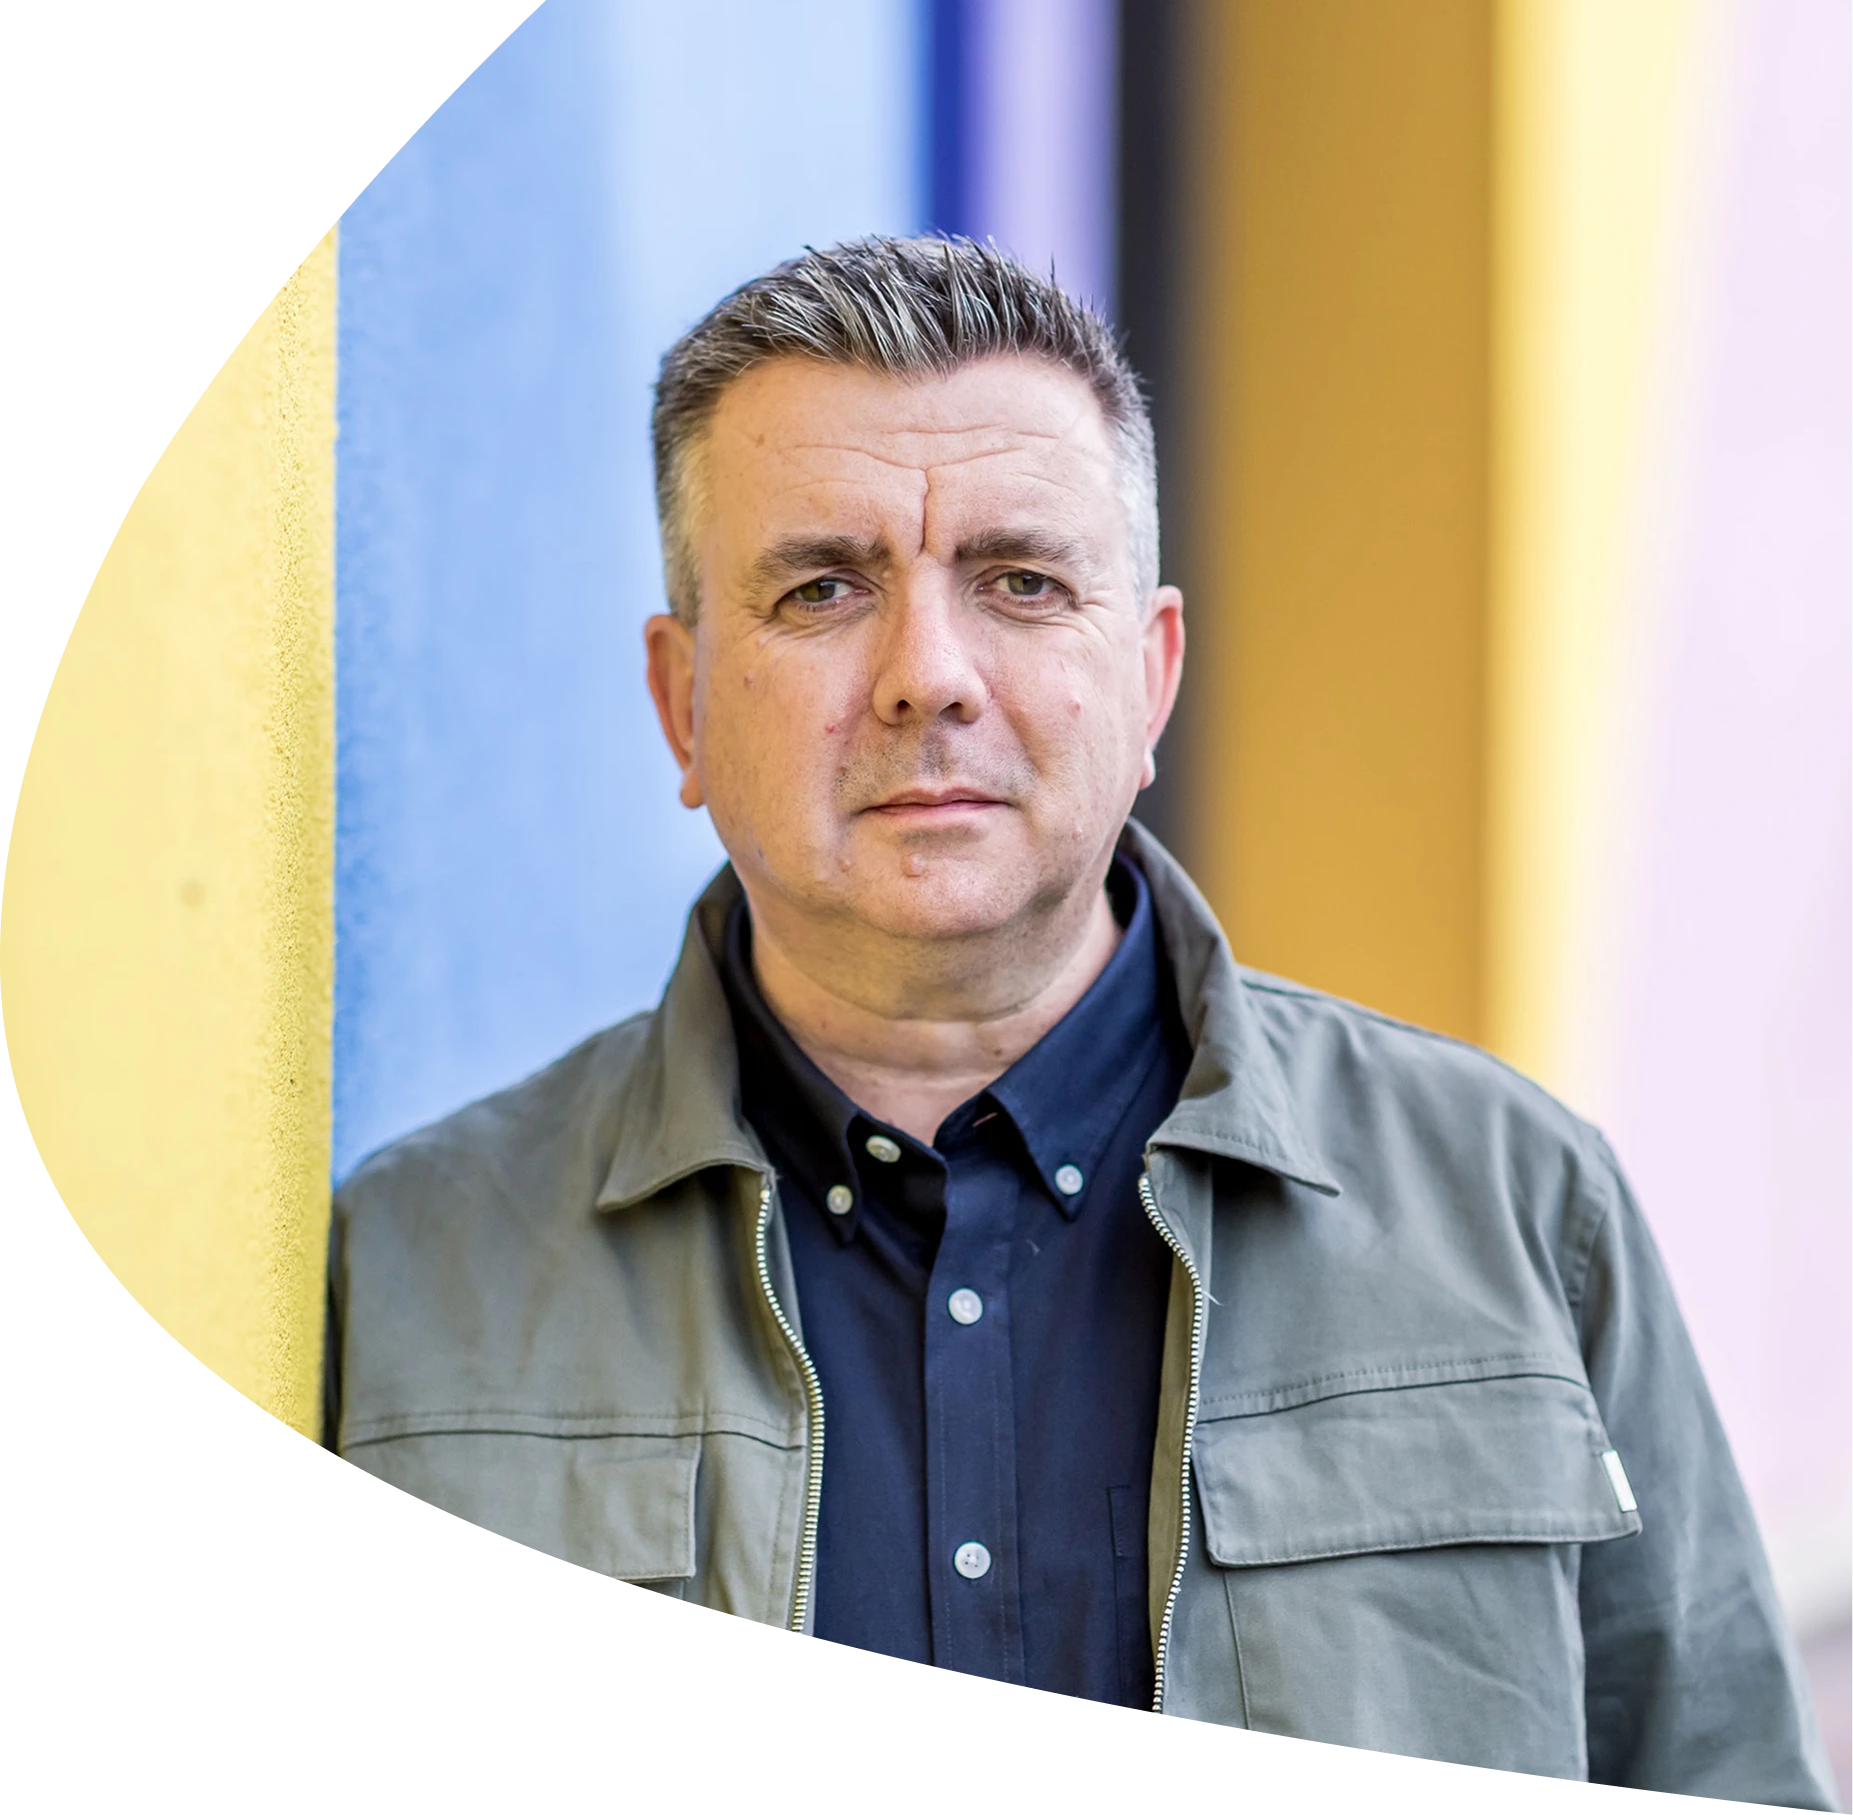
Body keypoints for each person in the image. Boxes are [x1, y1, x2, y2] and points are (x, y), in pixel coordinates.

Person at [325, 237, 1833, 1802]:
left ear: (1151, 677)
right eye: (824, 588)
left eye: (1021, 583)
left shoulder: (1515, 1210)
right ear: (682, 700)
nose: (928, 677)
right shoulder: (415, 1281)